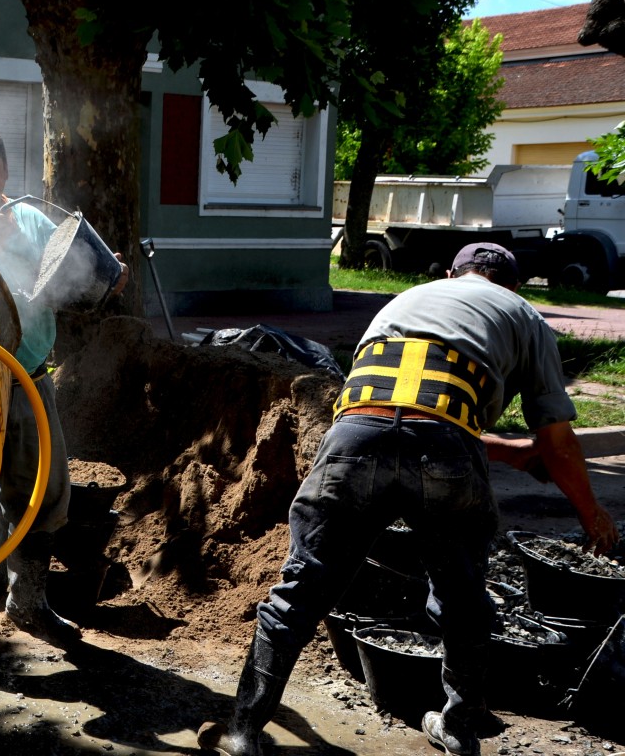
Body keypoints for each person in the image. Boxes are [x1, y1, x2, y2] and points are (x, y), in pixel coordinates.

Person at [199, 242, 620, 756]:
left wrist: (504, 451)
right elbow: (554, 441)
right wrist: (592, 514)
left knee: (300, 590)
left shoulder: (406, 300)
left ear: (453, 274)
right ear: (511, 286)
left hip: (352, 440)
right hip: (444, 453)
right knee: (463, 598)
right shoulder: (522, 314)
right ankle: (460, 726)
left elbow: (394, 412)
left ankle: (243, 731)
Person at [0, 122, 128, 682]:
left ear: (5, 172)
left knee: (44, 495)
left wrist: (104, 277)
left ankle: (29, 604)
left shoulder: (32, 218)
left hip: (31, 377)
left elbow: (68, 280)